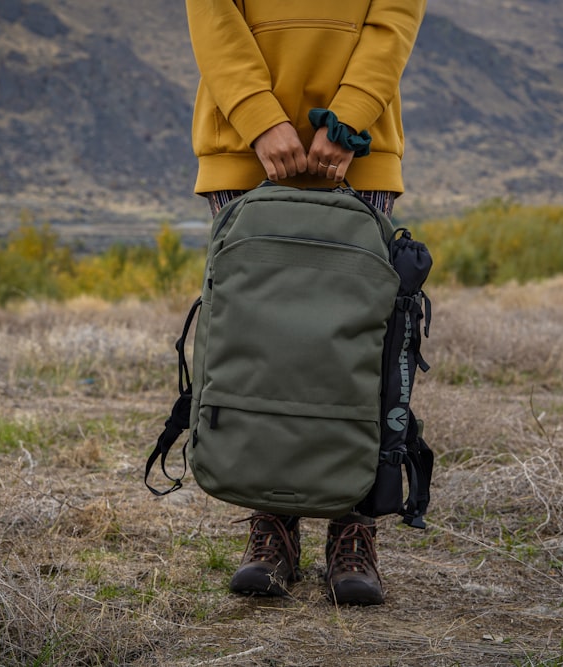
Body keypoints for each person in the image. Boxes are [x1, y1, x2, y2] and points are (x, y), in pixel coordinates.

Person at [184, 0, 427, 606]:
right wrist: (258, 119)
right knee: (261, 345)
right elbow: (211, 13)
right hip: (243, 147)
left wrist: (346, 121)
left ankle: (354, 527)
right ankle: (271, 528)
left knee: (353, 346)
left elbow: (396, 15)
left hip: (359, 147)